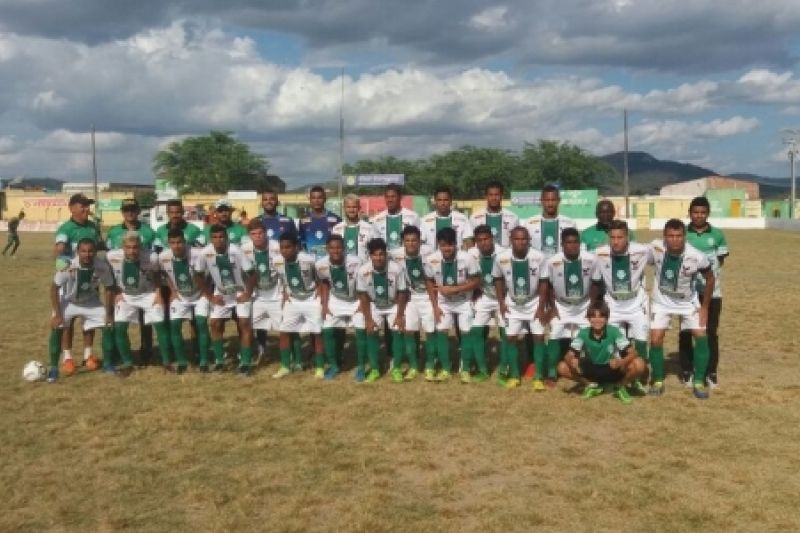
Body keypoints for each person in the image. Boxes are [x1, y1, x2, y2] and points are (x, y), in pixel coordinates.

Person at [647, 218, 715, 399]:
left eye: (678, 236)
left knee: (701, 336)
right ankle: (658, 379)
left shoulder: (697, 256)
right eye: (670, 236)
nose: (674, 240)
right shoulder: (655, 247)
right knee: (655, 339)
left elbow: (710, 279)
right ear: (664, 237)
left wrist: (705, 307)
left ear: (685, 237)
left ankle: (699, 381)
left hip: (688, 303)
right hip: (661, 301)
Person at [47, 238, 115, 382]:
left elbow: (109, 289)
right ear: (77, 252)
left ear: (95, 252)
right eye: (83, 251)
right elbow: (54, 289)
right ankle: (54, 368)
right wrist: (57, 314)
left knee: (108, 324)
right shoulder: (68, 266)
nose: (87, 254)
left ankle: (108, 364)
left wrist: (109, 314)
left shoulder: (102, 266)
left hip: (90, 301)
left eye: (90, 251)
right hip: (68, 301)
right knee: (58, 325)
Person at [678, 196, 729, 388]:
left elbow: (720, 260)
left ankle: (710, 371)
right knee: (686, 331)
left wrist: (708, 279)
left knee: (710, 332)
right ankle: (687, 369)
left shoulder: (717, 234)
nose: (699, 215)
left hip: (712, 292)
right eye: (695, 212)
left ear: (708, 214)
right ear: (689, 213)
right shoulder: (683, 233)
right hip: (687, 293)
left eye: (702, 212)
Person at [590, 220, 652, 375]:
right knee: (615, 344)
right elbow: (596, 282)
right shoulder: (599, 254)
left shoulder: (642, 251)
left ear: (627, 238)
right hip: (613, 304)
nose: (616, 241)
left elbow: (661, 256)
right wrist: (594, 304)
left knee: (641, 342)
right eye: (612, 237)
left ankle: (640, 374)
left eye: (620, 237)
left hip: (636, 303)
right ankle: (619, 374)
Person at [539, 228, 598, 389]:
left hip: (583, 305)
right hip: (561, 306)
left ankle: (594, 369)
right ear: (562, 244)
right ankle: (552, 373)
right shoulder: (552, 261)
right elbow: (548, 285)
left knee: (591, 338)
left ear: (580, 243)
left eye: (575, 242)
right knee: (554, 336)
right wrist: (552, 307)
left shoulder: (591, 260)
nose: (572, 246)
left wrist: (591, 306)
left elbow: (595, 284)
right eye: (568, 243)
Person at [195, 224, 257, 375]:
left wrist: (247, 293)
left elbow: (252, 273)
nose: (219, 240)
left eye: (222, 237)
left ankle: (245, 362)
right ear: (211, 239)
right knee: (215, 323)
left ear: (227, 238)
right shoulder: (205, 253)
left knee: (244, 323)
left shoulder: (236, 251)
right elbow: (197, 275)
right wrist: (209, 296)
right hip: (221, 293)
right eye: (215, 237)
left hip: (239, 292)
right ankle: (219, 361)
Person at [51, 194, 103, 373]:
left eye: (88, 206)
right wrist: (60, 254)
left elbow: (99, 246)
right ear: (71, 208)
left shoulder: (93, 227)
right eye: (83, 206)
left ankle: (88, 355)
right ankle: (68, 358)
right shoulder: (66, 228)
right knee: (68, 322)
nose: (87, 210)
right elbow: (59, 246)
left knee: (89, 321)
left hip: (90, 280)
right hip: (70, 282)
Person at [106, 232, 170, 377]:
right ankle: (128, 363)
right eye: (128, 247)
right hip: (126, 295)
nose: (132, 251)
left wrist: (158, 294)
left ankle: (166, 362)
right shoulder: (112, 256)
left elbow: (157, 274)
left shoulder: (151, 257)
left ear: (140, 247)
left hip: (148, 294)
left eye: (135, 247)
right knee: (120, 326)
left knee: (160, 324)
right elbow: (110, 277)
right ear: (123, 247)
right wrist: (117, 292)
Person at [557, 302, 647, 405]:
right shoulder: (583, 333)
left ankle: (619, 386)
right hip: (592, 368)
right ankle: (591, 385)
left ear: (607, 319)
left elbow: (633, 353)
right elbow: (568, 355)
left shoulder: (614, 332)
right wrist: (571, 361)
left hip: (611, 368)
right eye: (593, 316)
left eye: (601, 316)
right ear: (588, 319)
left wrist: (621, 362)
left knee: (639, 364)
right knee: (562, 367)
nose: (597, 320)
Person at [423, 227, 481, 382]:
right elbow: (428, 281)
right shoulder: (431, 259)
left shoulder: (467, 258)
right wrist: (435, 306)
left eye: (450, 245)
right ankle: (445, 368)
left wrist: (456, 289)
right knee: (442, 331)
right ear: (438, 245)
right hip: (443, 303)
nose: (447, 248)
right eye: (443, 245)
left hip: (463, 302)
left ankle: (466, 369)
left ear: (456, 244)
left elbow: (477, 281)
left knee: (466, 332)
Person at [493, 227, 547, 389]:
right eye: (517, 239)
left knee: (538, 337)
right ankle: (515, 375)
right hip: (512, 304)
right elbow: (498, 279)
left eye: (524, 239)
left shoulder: (539, 257)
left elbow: (544, 282)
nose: (521, 242)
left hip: (533, 303)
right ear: (511, 240)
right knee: (510, 338)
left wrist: (541, 307)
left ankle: (538, 376)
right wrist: (502, 302)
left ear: (529, 240)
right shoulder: (501, 258)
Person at [106, 198, 157, 365]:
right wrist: (114, 290)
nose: (130, 213)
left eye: (133, 209)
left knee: (146, 319)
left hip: (144, 285)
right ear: (122, 212)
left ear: (138, 211)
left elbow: (155, 257)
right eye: (126, 210)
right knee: (118, 319)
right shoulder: (113, 232)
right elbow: (108, 262)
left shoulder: (148, 232)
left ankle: (146, 350)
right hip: (122, 287)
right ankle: (119, 352)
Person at [355, 238, 414, 383]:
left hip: (393, 304)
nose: (378, 258)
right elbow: (363, 296)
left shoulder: (396, 268)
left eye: (381, 254)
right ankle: (375, 369)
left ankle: (396, 368)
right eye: (375, 255)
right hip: (375, 305)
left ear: (386, 254)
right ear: (370, 256)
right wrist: (368, 319)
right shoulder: (363, 271)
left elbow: (402, 293)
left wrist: (400, 315)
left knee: (398, 330)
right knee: (370, 331)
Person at [270, 232, 326, 378]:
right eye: (282, 247)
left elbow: (319, 278)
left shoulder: (308, 260)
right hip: (293, 300)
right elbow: (281, 279)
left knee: (317, 332)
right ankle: (285, 366)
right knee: (284, 331)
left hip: (311, 298)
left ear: (296, 247)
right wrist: (285, 293)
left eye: (288, 247)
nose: (284, 250)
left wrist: (320, 294)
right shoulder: (276, 261)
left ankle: (320, 367)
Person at [158, 228, 211, 373]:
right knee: (175, 325)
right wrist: (173, 291)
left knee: (201, 323)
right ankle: (181, 361)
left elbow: (209, 273)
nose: (177, 245)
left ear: (184, 241)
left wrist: (206, 292)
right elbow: (164, 273)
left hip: (199, 294)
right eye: (173, 243)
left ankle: (204, 360)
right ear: (168, 243)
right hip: (180, 296)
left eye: (180, 242)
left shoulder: (197, 254)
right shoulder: (163, 257)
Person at [390, 225, 435, 380]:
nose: (411, 243)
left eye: (414, 240)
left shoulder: (429, 254)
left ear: (419, 241)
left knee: (430, 331)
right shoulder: (395, 255)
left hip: (429, 296)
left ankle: (430, 365)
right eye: (407, 240)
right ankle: (414, 366)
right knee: (408, 330)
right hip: (411, 298)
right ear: (403, 242)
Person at [316, 234, 363, 380]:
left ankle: (361, 367)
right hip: (336, 300)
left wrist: (362, 304)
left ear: (344, 249)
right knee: (327, 328)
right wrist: (324, 304)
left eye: (338, 248)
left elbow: (364, 283)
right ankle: (334, 365)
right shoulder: (320, 265)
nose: (336, 251)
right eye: (332, 248)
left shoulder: (356, 262)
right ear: (327, 249)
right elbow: (324, 283)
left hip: (356, 299)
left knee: (361, 330)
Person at [467, 224, 506, 383]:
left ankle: (505, 368)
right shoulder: (471, 254)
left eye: (486, 239)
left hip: (503, 298)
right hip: (484, 297)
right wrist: (474, 290)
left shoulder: (504, 254)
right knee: (476, 331)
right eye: (479, 240)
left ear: (492, 239)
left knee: (505, 334)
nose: (483, 243)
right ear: (476, 242)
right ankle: (483, 369)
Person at [241, 219, 283, 367]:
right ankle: (258, 351)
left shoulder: (277, 247)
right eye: (253, 234)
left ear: (266, 233)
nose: (257, 236)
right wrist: (247, 292)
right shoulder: (244, 249)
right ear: (249, 235)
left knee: (285, 327)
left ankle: (290, 357)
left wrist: (285, 293)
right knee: (253, 325)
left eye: (260, 233)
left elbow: (283, 272)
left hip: (276, 293)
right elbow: (243, 273)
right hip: (257, 294)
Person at [523, 184, 576, 259]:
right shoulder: (529, 224)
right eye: (547, 200)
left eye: (553, 200)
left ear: (559, 201)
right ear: (541, 200)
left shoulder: (570, 224)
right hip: (537, 268)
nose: (550, 204)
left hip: (561, 268)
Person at [371, 183, 420, 251]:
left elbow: (419, 240)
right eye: (387, 197)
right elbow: (375, 245)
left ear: (400, 197)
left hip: (406, 259)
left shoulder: (413, 217)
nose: (390, 200)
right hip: (385, 260)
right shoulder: (377, 219)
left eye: (393, 196)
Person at [469, 180, 519, 247]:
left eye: (497, 195)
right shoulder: (475, 217)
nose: (494, 198)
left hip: (505, 256)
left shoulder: (513, 217)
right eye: (491, 195)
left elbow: (517, 240)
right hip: (481, 256)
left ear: (502, 196)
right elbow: (471, 241)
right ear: (486, 197)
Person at [332, 194, 379, 262]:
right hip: (343, 270)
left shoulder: (369, 228)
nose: (351, 210)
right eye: (348, 207)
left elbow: (375, 251)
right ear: (344, 208)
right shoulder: (336, 229)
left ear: (359, 208)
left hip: (363, 270)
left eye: (354, 207)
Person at [298, 186, 341, 259]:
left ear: (325, 199)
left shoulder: (336, 219)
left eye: (319, 198)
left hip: (329, 262)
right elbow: (301, 243)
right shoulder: (303, 221)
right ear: (310, 200)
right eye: (313, 198)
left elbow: (339, 244)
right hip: (310, 262)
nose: (316, 201)